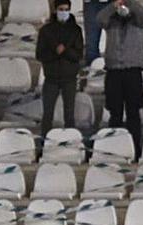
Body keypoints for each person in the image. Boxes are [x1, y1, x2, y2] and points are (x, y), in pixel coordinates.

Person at [98, 0, 143, 159]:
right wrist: (114, 5)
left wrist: (130, 2)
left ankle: (135, 148)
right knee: (115, 113)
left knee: (133, 112)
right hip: (113, 71)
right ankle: (115, 148)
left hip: (132, 71)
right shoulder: (111, 21)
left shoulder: (138, 21)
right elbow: (99, 19)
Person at [37, 1, 85, 137]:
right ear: (55, 10)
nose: (63, 12)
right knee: (47, 115)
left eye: (66, 9)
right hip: (51, 78)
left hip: (69, 78)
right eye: (61, 9)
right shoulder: (46, 31)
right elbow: (40, 54)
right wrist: (55, 52)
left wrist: (64, 51)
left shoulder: (76, 30)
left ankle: (70, 142)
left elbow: (78, 55)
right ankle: (45, 143)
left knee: (69, 115)